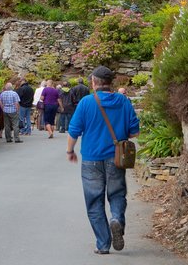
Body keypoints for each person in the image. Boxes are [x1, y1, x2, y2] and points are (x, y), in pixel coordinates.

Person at [67, 66, 140, 255]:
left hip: (91, 159)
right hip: (116, 158)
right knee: (117, 194)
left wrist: (70, 151)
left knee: (94, 201)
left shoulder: (86, 103)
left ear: (93, 82)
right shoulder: (124, 101)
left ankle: (103, 244)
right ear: (111, 83)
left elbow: (74, 130)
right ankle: (116, 219)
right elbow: (135, 131)